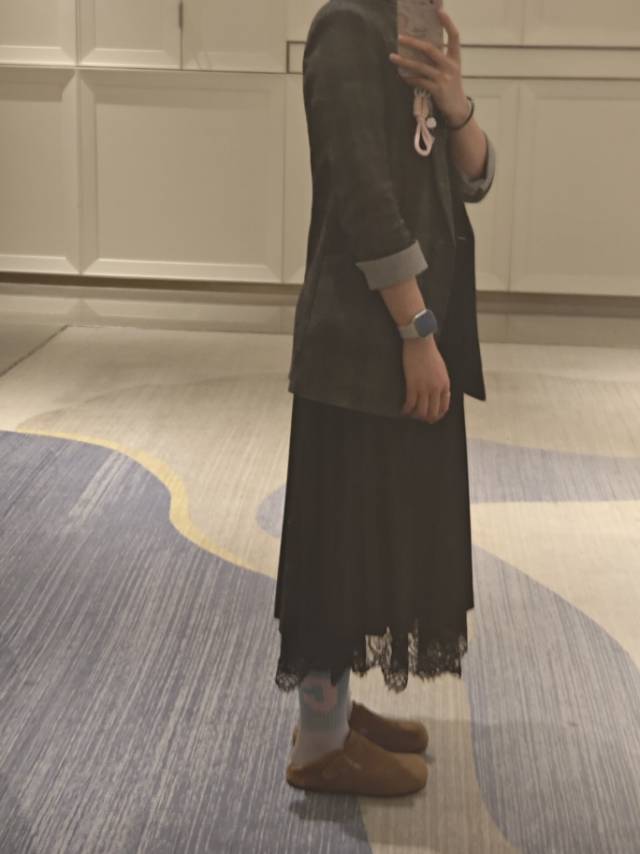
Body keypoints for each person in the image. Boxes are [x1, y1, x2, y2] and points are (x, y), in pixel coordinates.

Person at [274, 0, 496, 797]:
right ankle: (319, 743)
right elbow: (365, 199)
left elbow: (472, 178)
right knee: (338, 539)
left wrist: (455, 100)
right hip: (361, 344)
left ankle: (332, 710)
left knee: (375, 530)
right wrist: (417, 330)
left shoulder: (406, 37)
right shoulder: (345, 30)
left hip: (408, 330)